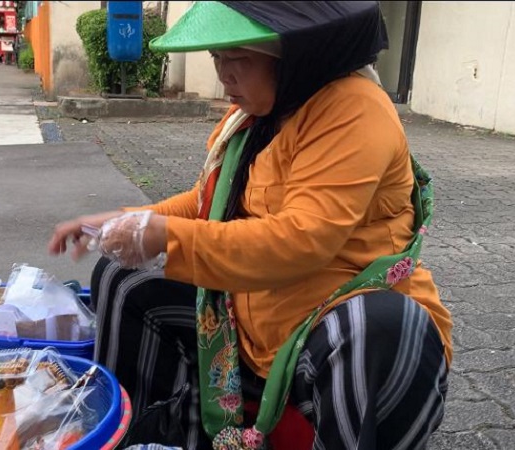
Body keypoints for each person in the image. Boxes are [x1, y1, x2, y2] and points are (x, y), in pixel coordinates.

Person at [48, 2, 452, 449]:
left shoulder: (355, 110)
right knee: (124, 277)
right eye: (217, 58)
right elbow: (207, 202)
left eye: (238, 57)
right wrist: (129, 223)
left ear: (297, 52)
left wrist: (163, 236)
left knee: (376, 324)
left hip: (328, 337)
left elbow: (302, 240)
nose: (224, 74)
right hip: (256, 323)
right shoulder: (255, 117)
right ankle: (137, 433)